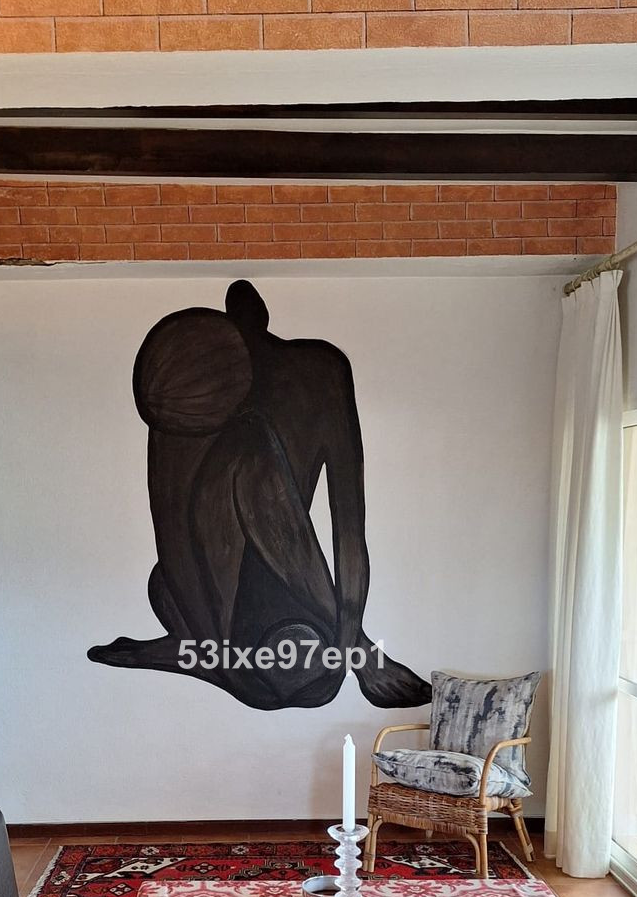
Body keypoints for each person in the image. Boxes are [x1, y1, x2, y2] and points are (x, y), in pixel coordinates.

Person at [89, 279, 429, 711]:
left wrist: (349, 649)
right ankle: (198, 654)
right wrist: (353, 649)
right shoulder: (182, 399)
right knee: (167, 577)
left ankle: (193, 654)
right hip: (262, 653)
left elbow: (347, 529)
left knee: (246, 447)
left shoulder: (310, 376)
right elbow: (174, 542)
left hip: (289, 646)